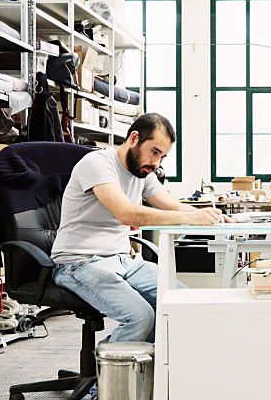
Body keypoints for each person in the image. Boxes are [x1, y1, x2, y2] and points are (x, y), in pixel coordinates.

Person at [51, 113, 228, 344]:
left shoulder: (142, 172)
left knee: (181, 302)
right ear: (134, 138)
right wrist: (190, 219)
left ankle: (135, 370)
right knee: (141, 317)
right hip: (78, 263)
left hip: (122, 260)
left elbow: (174, 206)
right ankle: (107, 377)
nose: (156, 163)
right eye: (154, 152)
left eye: (162, 157)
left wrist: (213, 216)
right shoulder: (97, 164)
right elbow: (126, 213)